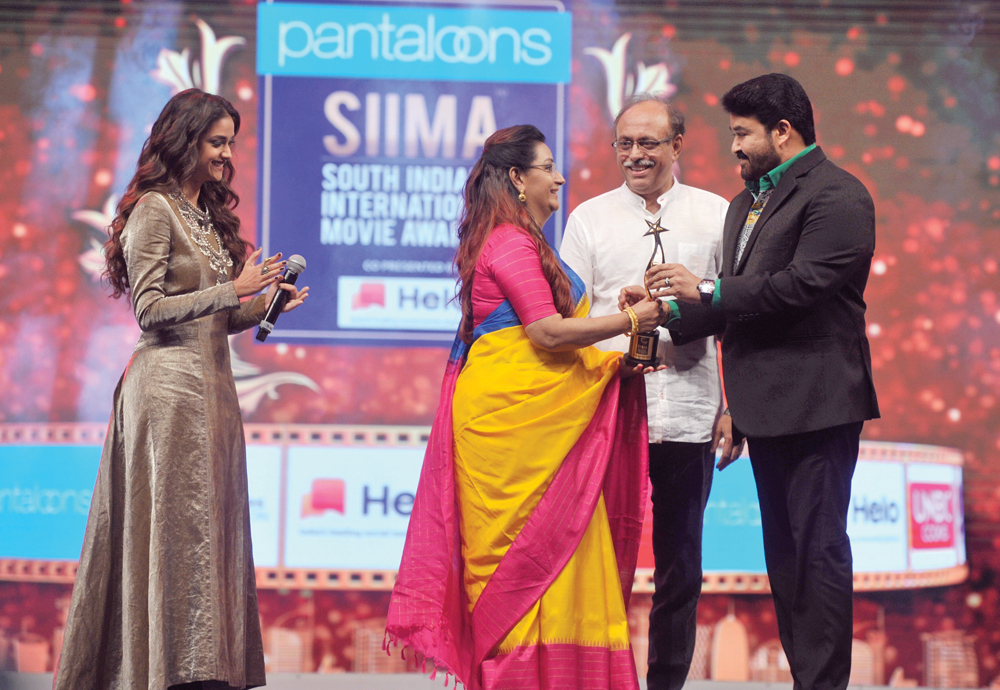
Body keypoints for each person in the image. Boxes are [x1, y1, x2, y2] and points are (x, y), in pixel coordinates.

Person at [385, 124, 663, 690]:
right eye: (548, 166)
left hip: (546, 428)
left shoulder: (523, 240)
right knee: (524, 570)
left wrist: (617, 362)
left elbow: (554, 341)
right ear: (517, 178)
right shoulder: (509, 241)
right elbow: (546, 334)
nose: (560, 176)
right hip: (513, 435)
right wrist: (631, 321)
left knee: (562, 558)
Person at [630, 73, 879, 690]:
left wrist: (707, 287)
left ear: (782, 130)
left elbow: (803, 287)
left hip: (819, 406)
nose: (734, 145)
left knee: (817, 555)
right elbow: (734, 307)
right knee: (787, 563)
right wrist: (663, 312)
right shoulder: (746, 203)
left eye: (742, 133)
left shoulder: (838, 195)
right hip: (763, 410)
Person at [55, 89, 308, 690]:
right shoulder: (154, 210)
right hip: (166, 395)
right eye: (216, 142)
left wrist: (265, 304)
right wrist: (235, 286)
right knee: (172, 533)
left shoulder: (205, 215)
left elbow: (216, 320)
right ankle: (161, 670)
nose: (227, 154)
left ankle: (203, 668)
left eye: (231, 143)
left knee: (208, 532)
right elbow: (150, 310)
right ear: (184, 140)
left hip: (214, 396)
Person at [560, 93, 731, 690]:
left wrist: (731, 407)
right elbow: (567, 318)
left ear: (677, 145)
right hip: (609, 413)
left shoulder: (716, 215)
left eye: (649, 143)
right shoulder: (587, 219)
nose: (635, 155)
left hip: (690, 412)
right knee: (600, 564)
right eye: (625, 143)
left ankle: (665, 684)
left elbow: (738, 317)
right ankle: (596, 678)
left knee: (681, 566)